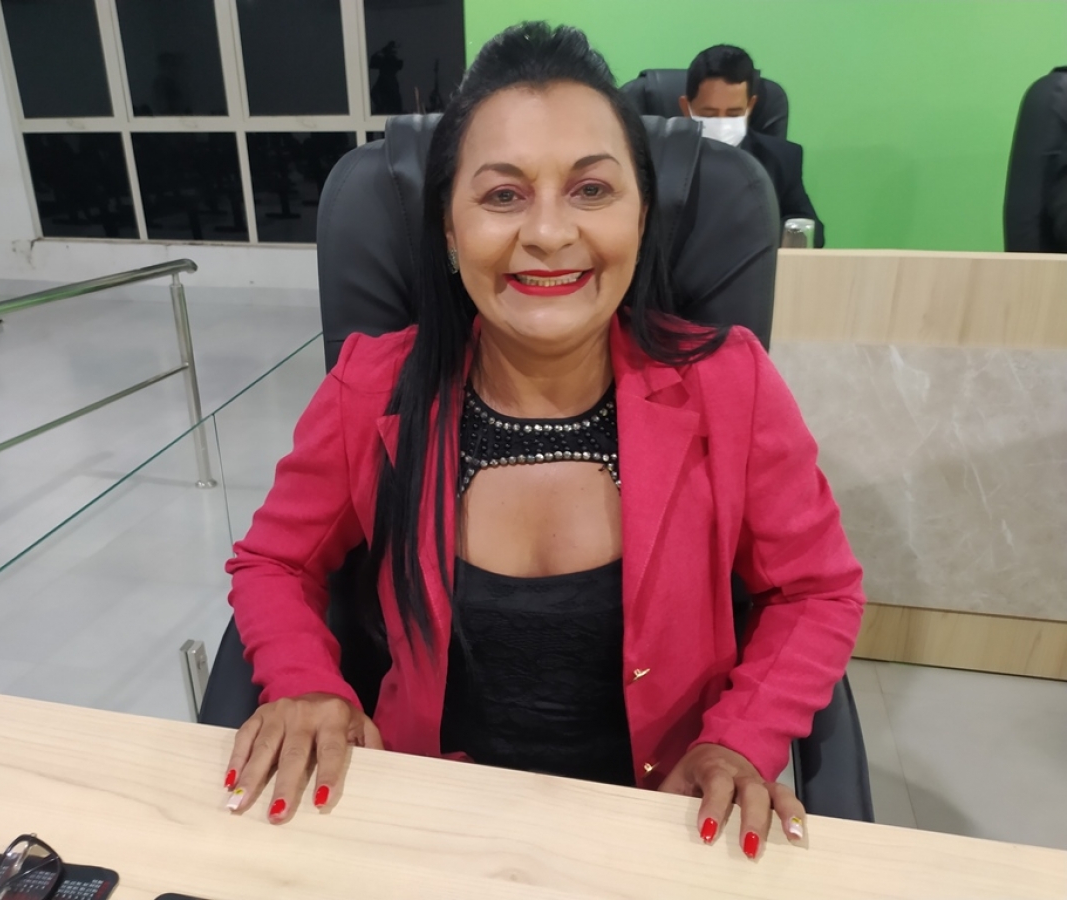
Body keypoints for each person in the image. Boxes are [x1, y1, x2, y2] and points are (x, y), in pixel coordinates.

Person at [225, 22, 864, 861]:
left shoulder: (729, 382)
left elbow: (816, 592)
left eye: (592, 190)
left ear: (643, 213)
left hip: (657, 828)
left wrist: (743, 738)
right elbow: (273, 563)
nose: (551, 233)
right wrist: (306, 683)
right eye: (503, 196)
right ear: (449, 228)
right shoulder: (370, 386)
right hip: (425, 827)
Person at [678, 45, 826, 247]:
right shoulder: (660, 158)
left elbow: (811, 232)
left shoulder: (781, 158)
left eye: (733, 114)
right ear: (686, 108)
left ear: (750, 106)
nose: (722, 123)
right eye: (709, 114)